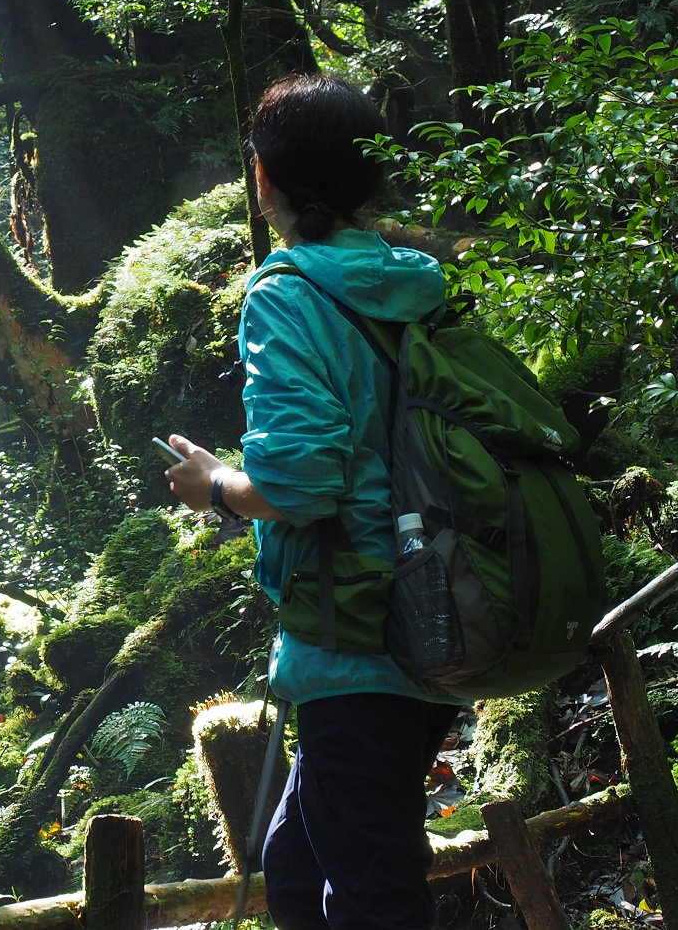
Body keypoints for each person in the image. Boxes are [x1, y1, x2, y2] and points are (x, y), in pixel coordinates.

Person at [163, 73, 458, 930]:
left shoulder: (288, 295)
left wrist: (213, 487)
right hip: (443, 600)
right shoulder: (420, 282)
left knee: (372, 895)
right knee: (294, 865)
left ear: (264, 179)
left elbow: (301, 484)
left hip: (360, 633)